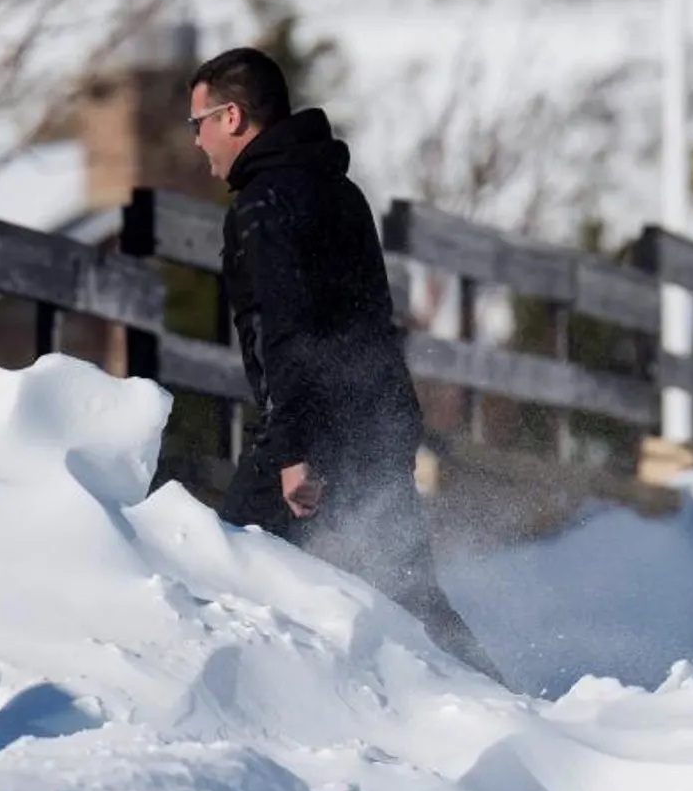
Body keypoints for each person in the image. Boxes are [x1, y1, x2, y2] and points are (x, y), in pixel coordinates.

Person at [186, 47, 505, 685]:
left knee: (231, 574)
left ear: (233, 117)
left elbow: (289, 329)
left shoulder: (264, 203)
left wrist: (291, 450)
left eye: (198, 124)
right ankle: (499, 704)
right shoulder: (337, 188)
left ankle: (231, 718)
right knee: (404, 591)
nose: (197, 143)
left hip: (317, 428)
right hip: (377, 415)